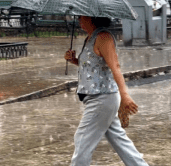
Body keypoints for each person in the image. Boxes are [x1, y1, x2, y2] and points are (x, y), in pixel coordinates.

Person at [64, 16, 149, 166]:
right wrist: (74, 61)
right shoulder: (90, 37)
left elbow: (115, 66)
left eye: (81, 17)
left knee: (82, 139)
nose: (79, 21)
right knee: (119, 140)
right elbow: (93, 67)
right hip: (98, 98)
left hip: (102, 98)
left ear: (92, 18)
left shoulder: (103, 37)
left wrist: (125, 95)